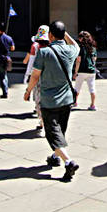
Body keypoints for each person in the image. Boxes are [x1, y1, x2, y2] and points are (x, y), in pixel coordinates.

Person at [24, 21, 80, 180]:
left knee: (52, 133)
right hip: (67, 99)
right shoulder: (71, 50)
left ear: (50, 35)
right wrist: (65, 33)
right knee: (60, 130)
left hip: (49, 100)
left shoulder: (44, 52)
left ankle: (68, 162)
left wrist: (28, 91)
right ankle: (56, 156)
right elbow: (76, 44)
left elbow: (35, 75)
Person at [23, 27, 46, 130]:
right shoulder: (52, 45)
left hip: (37, 75)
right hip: (49, 75)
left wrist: (27, 75)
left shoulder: (35, 46)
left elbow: (31, 63)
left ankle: (42, 121)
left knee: (38, 98)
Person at [73, 30, 98, 110]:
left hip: (82, 70)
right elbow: (94, 59)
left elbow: (78, 60)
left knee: (77, 88)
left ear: (81, 39)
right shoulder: (93, 48)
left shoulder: (80, 48)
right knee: (92, 88)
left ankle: (75, 102)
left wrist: (75, 72)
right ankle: (93, 105)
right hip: (91, 71)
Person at [0, 26, 14, 98]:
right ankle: (5, 90)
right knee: (4, 74)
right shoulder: (9, 38)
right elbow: (13, 48)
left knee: (2, 76)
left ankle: (5, 92)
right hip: (6, 59)